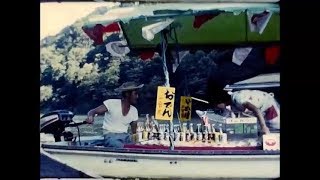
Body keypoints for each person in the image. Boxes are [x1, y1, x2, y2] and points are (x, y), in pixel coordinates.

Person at [85, 81, 144, 148]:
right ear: (127, 94)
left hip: (126, 137)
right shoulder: (111, 103)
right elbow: (93, 111)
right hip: (111, 136)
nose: (137, 96)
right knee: (119, 145)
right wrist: (90, 117)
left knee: (138, 146)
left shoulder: (134, 110)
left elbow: (134, 133)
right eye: (135, 94)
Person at [215, 89, 280, 134]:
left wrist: (263, 126)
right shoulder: (231, 104)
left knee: (274, 125)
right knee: (262, 127)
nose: (217, 107)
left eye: (217, 105)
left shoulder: (238, 99)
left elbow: (256, 110)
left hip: (269, 105)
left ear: (221, 102)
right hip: (261, 108)